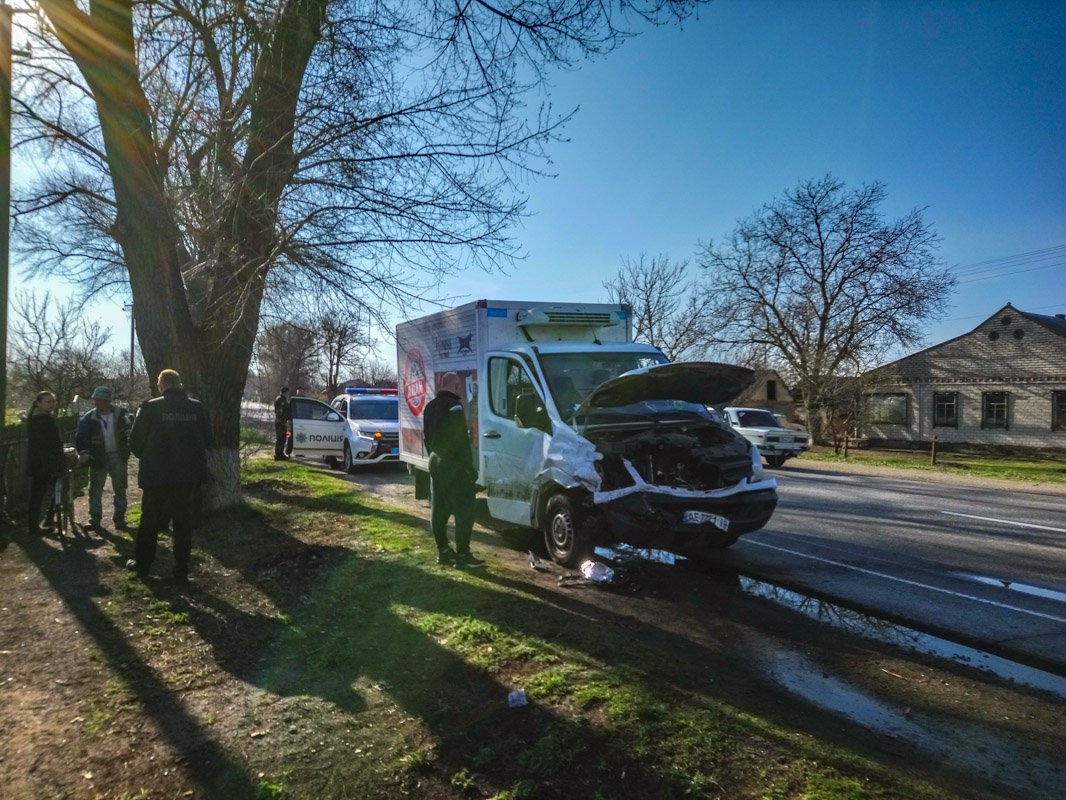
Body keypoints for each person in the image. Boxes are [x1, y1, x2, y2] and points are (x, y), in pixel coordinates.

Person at [127, 369, 213, 584]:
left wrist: (149, 458)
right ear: (179, 384)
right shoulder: (197, 407)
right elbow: (209, 441)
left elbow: (134, 441)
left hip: (156, 475)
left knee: (149, 520)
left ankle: (143, 565)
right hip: (188, 476)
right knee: (183, 523)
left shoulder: (149, 407)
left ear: (160, 385)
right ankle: (181, 569)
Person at [423, 372, 484, 568]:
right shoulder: (455, 407)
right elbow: (461, 441)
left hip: (435, 459)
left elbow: (427, 437)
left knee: (438, 508)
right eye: (459, 387)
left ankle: (443, 552)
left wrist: (435, 455)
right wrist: (470, 468)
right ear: (456, 386)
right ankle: (463, 555)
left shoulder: (429, 407)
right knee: (465, 508)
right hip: (453, 462)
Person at [75, 386, 131, 531]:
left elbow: (131, 427)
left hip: (117, 456)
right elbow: (81, 437)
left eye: (100, 400)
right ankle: (94, 519)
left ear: (108, 401)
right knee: (95, 489)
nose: (97, 403)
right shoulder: (89, 417)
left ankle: (120, 519)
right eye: (95, 400)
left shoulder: (121, 414)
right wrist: (84, 452)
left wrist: (128, 425)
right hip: (97, 458)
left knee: (120, 488)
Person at [25, 391, 64, 536]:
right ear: (39, 403)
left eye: (53, 401)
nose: (52, 404)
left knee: (42, 493)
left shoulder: (37, 418)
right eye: (48, 401)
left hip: (41, 461)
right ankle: (35, 527)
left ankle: (45, 520)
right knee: (40, 494)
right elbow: (50, 443)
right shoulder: (42, 420)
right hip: (44, 462)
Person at [273, 386, 290, 460]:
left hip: (282, 422)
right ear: (285, 392)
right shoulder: (280, 400)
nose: (288, 394)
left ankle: (281, 453)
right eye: (287, 392)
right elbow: (280, 412)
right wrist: (285, 419)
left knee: (283, 439)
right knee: (280, 439)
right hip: (280, 422)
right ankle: (278, 455)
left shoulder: (283, 399)